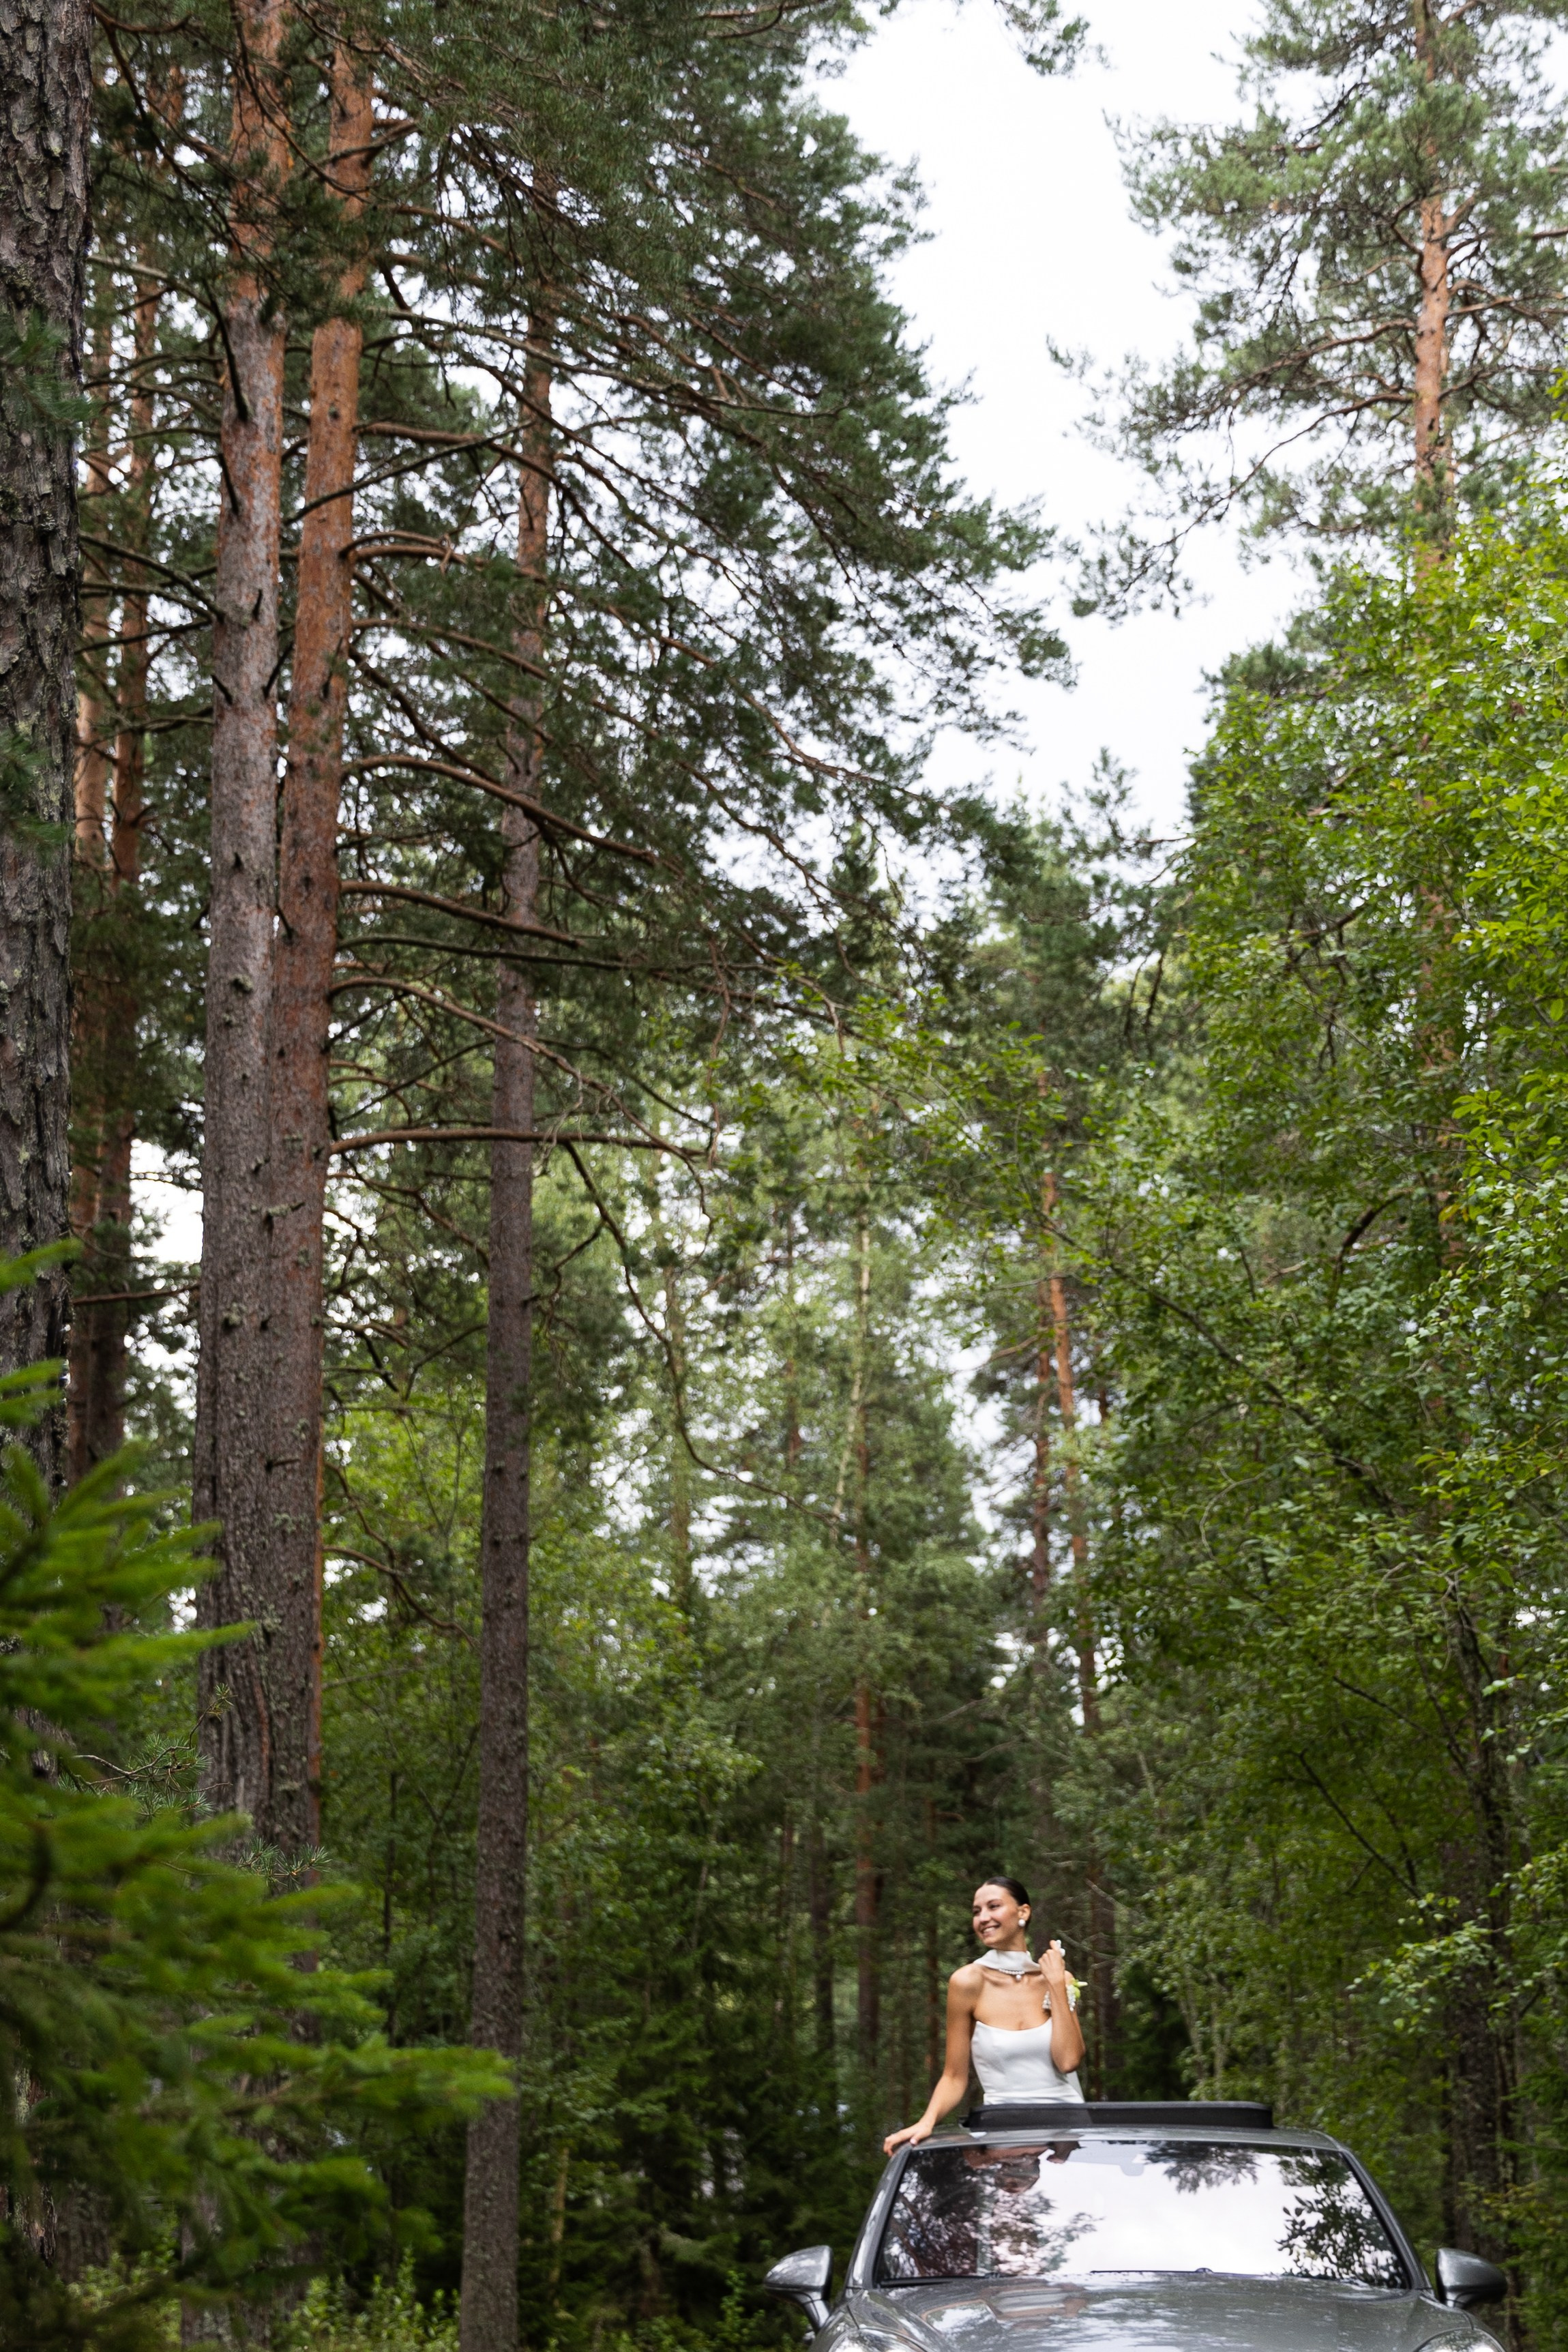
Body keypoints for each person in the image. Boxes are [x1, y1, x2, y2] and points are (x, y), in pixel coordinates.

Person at [883, 1875, 1086, 2155]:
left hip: (1067, 2136)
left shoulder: (1059, 1979)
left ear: (1023, 1912)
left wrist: (1056, 1986)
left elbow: (1068, 2060)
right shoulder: (967, 1983)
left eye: (993, 1906)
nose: (983, 1918)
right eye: (977, 1912)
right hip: (1003, 2133)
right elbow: (954, 2076)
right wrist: (926, 2122)